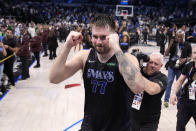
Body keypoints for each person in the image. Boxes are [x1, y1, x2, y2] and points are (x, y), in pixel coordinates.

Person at [49, 14, 163, 131]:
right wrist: (67, 46)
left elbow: (138, 87)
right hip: (90, 125)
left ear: (113, 36)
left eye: (103, 37)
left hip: (118, 127)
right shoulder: (84, 56)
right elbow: (54, 78)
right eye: (95, 36)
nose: (98, 42)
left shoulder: (127, 58)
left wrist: (117, 48)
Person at [128, 52, 168, 131]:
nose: (152, 65)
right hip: (133, 116)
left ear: (161, 66)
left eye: (156, 64)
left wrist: (136, 72)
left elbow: (152, 90)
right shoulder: (140, 70)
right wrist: (134, 60)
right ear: (147, 62)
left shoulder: (162, 78)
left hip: (150, 120)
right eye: (151, 62)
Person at [170, 45, 196, 131]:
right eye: (194, 53)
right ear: (192, 54)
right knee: (180, 125)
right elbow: (179, 81)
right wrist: (173, 94)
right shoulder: (189, 66)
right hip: (186, 101)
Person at [164, 31, 192, 108]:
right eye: (178, 37)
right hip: (172, 66)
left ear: (184, 36)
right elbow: (166, 54)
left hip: (181, 67)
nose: (179, 38)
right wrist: (170, 44)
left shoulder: (187, 45)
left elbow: (190, 56)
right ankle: (166, 100)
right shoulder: (174, 43)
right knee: (169, 82)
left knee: (179, 83)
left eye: (181, 37)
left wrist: (185, 59)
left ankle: (179, 100)